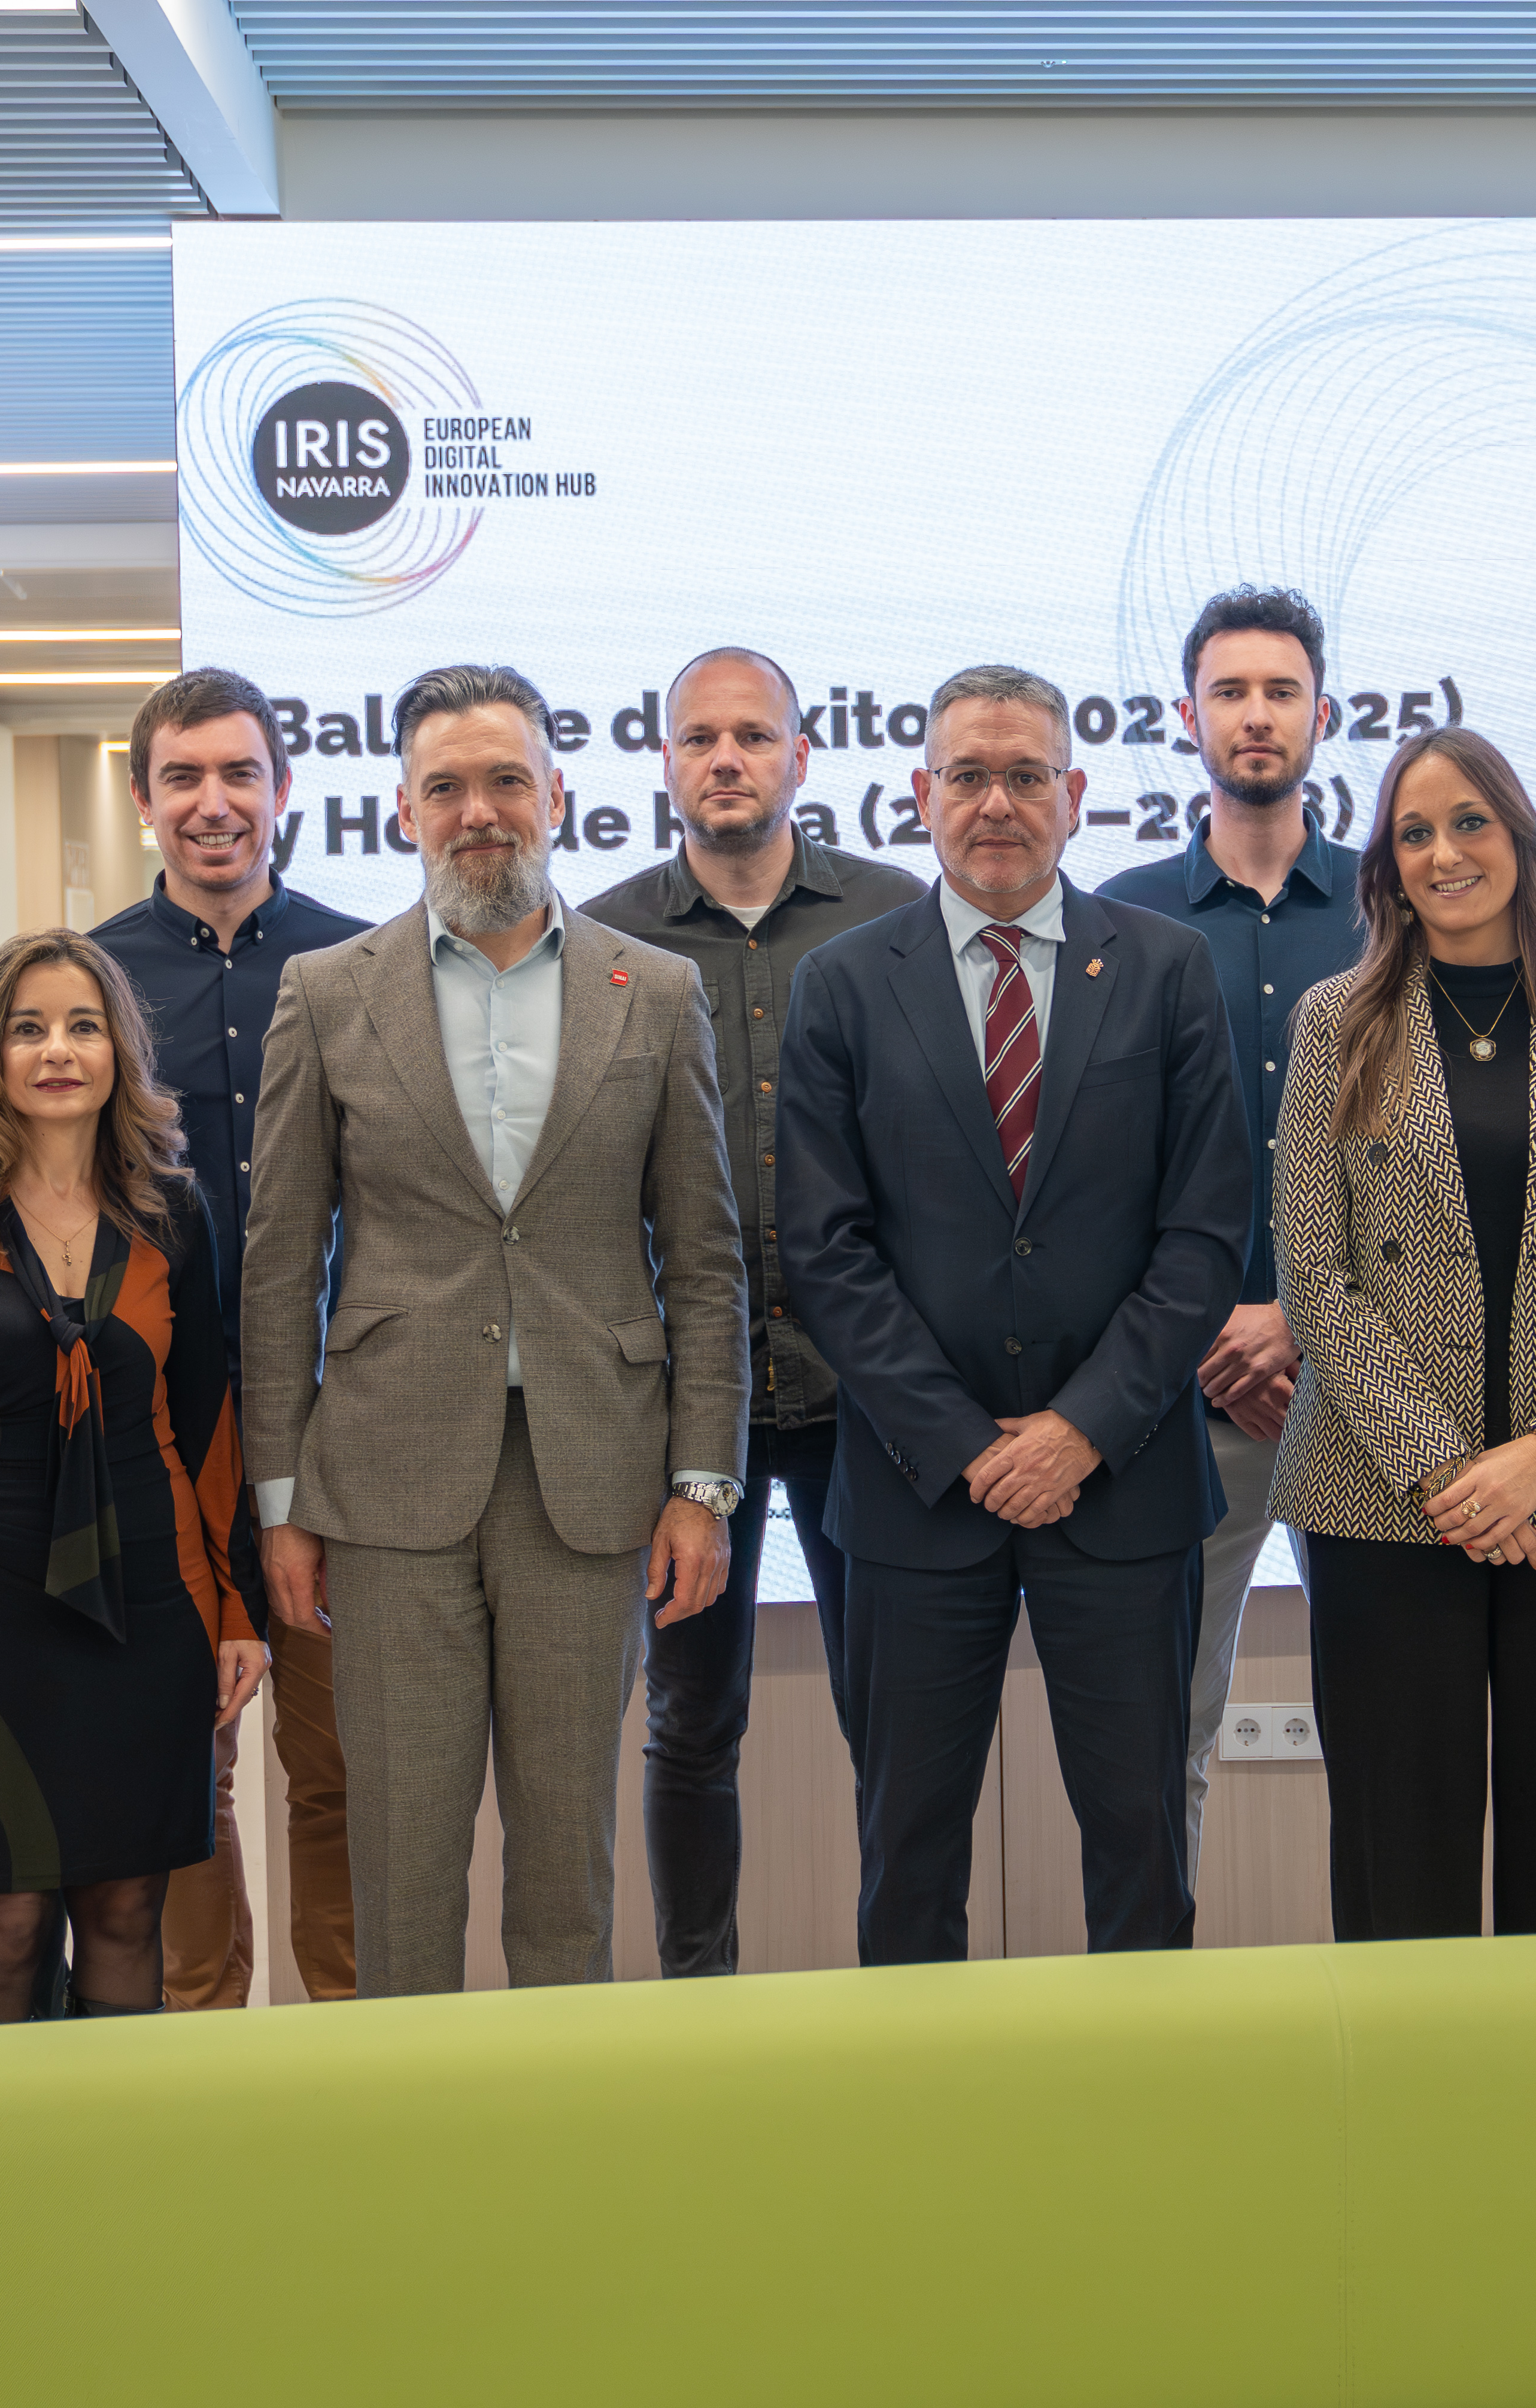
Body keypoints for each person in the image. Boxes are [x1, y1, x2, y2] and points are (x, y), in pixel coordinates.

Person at [244, 663, 746, 1994]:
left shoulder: (657, 991)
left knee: (567, 1870)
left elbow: (703, 1264)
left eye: (506, 780)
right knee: (400, 1868)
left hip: (593, 1485)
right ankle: (410, 2167)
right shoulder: (327, 991)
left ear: (557, 796)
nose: (480, 811)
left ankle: (559, 2161)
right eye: (447, 787)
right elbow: (278, 1262)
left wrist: (703, 1483)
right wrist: (282, 1500)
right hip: (386, 1486)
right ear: (403, 812)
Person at [778, 665, 1250, 1964]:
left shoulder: (1165, 968)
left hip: (1125, 1485)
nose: (996, 803)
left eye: (1025, 775)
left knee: (1142, 1845)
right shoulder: (841, 984)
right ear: (919, 794)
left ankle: (1144, 2115)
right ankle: (920, 2132)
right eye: (968, 776)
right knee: (908, 1855)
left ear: (1076, 796)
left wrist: (1079, 1430)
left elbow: (1204, 1234)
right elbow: (824, 1250)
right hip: (915, 1493)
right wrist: (971, 1442)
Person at [1268, 727, 1536, 1940]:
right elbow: (1315, 1271)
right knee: (1398, 1857)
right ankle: (1407, 2119)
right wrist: (1451, 1472)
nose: (1444, 852)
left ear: (1516, 835)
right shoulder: (1332, 1021)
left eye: (1468, 823)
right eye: (1412, 832)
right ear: (1385, 866)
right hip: (1383, 1498)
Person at [0, 932, 269, 2021]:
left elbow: (212, 1422)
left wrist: (237, 1608)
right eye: (27, 1028)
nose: (57, 1051)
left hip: (150, 1602)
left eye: (83, 1026)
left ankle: (118, 2182)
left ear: (119, 1049)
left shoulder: (173, 1213)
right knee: (3, 1923)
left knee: (128, 1910)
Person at [579, 647, 924, 1975]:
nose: (727, 759)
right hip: (684, 1407)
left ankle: (898, 1988)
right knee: (688, 1720)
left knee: (890, 1717)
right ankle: (696, 1995)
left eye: (753, 736)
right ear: (663, 762)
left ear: (799, 756)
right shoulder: (601, 939)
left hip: (867, 1391)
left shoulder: (894, 915)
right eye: (699, 738)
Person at [94, 667, 371, 2009]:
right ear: (141, 797)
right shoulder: (84, 982)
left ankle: (350, 2043)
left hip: (339, 1431)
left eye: (240, 774)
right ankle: (203, 2049)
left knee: (338, 1769)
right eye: (184, 777)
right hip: (155, 1436)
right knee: (180, 1775)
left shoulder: (366, 962)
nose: (214, 804)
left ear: (282, 790)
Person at [1093, 586, 1362, 1884]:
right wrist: (1204, 1329)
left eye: (1279, 691)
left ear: (1323, 711)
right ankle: (1150, 2022)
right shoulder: (1119, 921)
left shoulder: (1396, 911)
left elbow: (1440, 1166)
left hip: (1372, 1397)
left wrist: (1302, 1321)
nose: (1255, 716)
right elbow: (1089, 1175)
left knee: (1384, 1731)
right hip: (1181, 1404)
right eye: (1229, 692)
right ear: (1186, 715)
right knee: (1164, 1734)